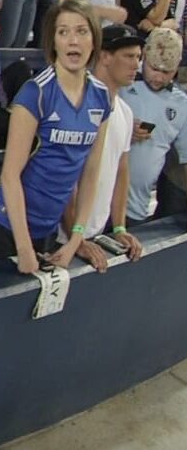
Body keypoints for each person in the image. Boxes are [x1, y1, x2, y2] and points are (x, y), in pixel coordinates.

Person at [0, 0, 111, 273]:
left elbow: (91, 173)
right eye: (64, 32)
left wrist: (76, 237)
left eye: (81, 31)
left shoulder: (102, 97)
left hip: (46, 232)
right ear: (54, 41)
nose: (73, 40)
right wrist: (24, 248)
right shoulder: (35, 93)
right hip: (4, 226)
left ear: (94, 39)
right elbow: (10, 175)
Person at [69, 25, 146, 270]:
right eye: (129, 56)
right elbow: (64, 174)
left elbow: (121, 170)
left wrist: (120, 226)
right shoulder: (75, 103)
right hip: (61, 234)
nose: (137, 65)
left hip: (93, 232)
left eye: (138, 57)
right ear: (104, 56)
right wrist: (75, 235)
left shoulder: (124, 111)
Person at [120, 27, 187, 225]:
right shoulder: (121, 83)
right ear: (144, 59)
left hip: (136, 209)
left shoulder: (181, 104)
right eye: (154, 69)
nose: (158, 77)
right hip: (100, 203)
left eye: (166, 72)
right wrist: (122, 130)